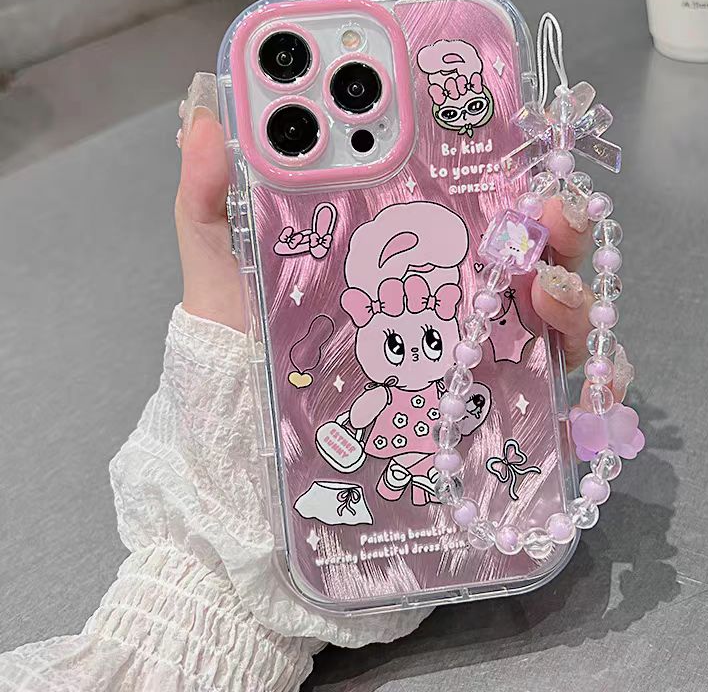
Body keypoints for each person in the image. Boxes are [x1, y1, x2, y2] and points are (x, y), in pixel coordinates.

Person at [0, 74, 601, 691]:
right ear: (366, 319)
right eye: (397, 338)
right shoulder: (373, 383)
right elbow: (360, 421)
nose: (416, 344)